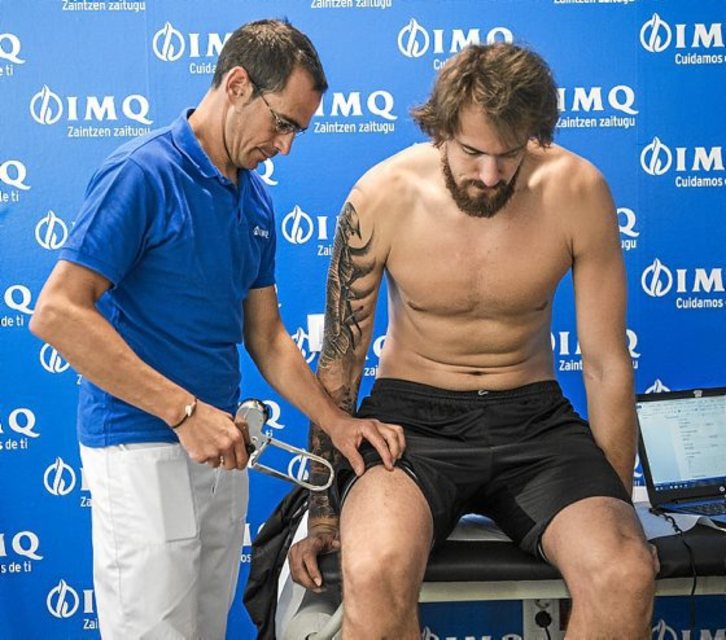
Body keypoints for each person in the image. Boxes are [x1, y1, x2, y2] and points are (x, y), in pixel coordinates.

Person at [30, 19, 403, 640]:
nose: (285, 147)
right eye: (281, 123)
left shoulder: (254, 199)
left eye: (298, 131)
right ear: (236, 85)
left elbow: (268, 337)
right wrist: (183, 413)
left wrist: (337, 424)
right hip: (143, 446)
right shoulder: (143, 173)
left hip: (222, 448)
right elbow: (57, 313)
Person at [288, 42, 658, 639]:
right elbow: (340, 364)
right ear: (441, 129)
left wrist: (616, 508)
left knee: (623, 574)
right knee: (375, 569)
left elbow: (606, 364)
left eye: (508, 155)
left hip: (535, 423)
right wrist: (323, 516)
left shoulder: (578, 190)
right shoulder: (382, 196)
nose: (489, 175)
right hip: (412, 427)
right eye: (472, 152)